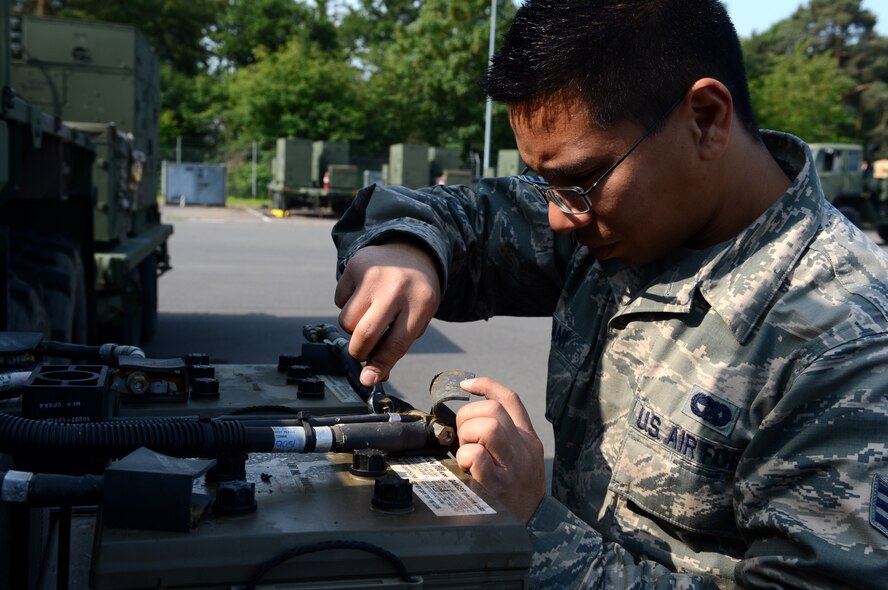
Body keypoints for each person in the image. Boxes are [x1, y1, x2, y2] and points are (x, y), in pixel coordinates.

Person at [331, 0, 888, 587]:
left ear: (705, 118)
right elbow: (463, 216)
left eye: (578, 181)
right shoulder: (615, 217)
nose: (557, 217)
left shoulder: (844, 342)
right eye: (545, 183)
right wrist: (405, 248)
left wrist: (534, 524)